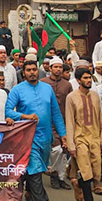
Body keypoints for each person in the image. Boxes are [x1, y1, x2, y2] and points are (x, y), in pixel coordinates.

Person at [5, 60, 67, 201]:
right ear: (24, 73)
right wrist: (24, 116)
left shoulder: (47, 88)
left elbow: (56, 113)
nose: (32, 72)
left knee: (37, 170)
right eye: (29, 70)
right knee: (36, 170)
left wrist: (63, 134)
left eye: (34, 69)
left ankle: (29, 193)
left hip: (46, 138)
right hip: (27, 139)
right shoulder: (17, 89)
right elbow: (8, 111)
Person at [65, 68, 102, 201]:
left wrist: (101, 140)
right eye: (85, 78)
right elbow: (70, 121)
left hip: (94, 136)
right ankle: (88, 198)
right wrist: (71, 145)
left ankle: (78, 185)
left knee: (96, 168)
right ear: (78, 80)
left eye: (89, 78)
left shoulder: (95, 96)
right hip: (80, 137)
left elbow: (99, 120)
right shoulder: (71, 97)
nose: (89, 80)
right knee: (85, 169)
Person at [38, 56, 73, 190]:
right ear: (50, 68)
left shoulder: (67, 84)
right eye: (55, 67)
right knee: (56, 150)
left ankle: (60, 177)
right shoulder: (43, 83)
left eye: (60, 67)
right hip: (47, 121)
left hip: (64, 121)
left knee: (64, 151)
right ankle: (53, 173)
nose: (58, 69)